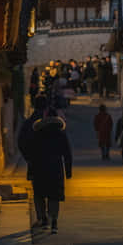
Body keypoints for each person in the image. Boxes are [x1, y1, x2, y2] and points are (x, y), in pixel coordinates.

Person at [24, 97, 73, 234]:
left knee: (39, 194)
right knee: (54, 195)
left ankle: (43, 219)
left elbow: (31, 151)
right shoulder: (60, 133)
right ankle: (54, 222)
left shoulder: (37, 132)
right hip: (56, 168)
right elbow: (67, 152)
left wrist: (30, 167)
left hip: (40, 167)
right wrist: (68, 171)